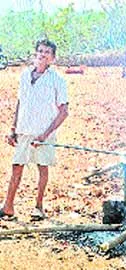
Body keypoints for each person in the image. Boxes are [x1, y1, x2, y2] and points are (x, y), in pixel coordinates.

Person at [1, 39, 69, 221]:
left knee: (42, 168)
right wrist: (13, 128)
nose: (42, 54)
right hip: (23, 130)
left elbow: (64, 111)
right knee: (16, 166)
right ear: (35, 53)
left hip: (43, 134)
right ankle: (8, 206)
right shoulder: (24, 76)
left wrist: (45, 135)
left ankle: (38, 207)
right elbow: (20, 102)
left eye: (47, 52)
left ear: (52, 58)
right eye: (40, 51)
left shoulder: (57, 80)